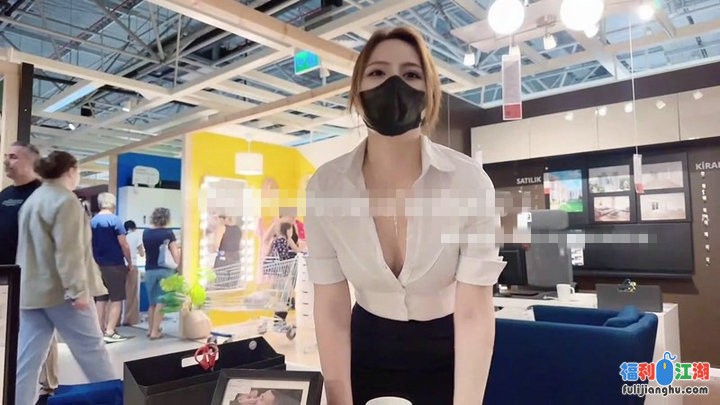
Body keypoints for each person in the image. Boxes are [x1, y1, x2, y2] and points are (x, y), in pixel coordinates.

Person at [304, 26, 506, 405]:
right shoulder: (325, 187)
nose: (393, 84)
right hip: (366, 349)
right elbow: (330, 305)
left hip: (450, 351)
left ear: (430, 92)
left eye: (411, 74)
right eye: (378, 72)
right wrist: (339, 399)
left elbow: (474, 311)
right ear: (357, 92)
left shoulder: (469, 183)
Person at [15, 151, 116, 405]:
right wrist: (78, 290)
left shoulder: (33, 200)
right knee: (93, 354)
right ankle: (114, 401)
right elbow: (69, 252)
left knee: (27, 361)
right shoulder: (66, 201)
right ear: (71, 170)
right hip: (62, 293)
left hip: (31, 293)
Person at [0, 141, 60, 398]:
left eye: (13, 156)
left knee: (38, 337)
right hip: (8, 278)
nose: (7, 161)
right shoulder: (5, 195)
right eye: (6, 156)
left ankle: (49, 385)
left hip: (36, 280)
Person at [90, 192, 132, 343]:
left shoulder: (92, 221)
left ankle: (99, 331)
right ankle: (110, 331)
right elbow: (124, 244)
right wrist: (129, 261)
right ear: (113, 204)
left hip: (97, 265)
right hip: (114, 264)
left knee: (100, 299)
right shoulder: (115, 220)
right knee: (116, 299)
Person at [142, 207, 181, 340]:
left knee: (152, 302)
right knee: (161, 301)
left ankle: (150, 330)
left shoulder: (146, 233)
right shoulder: (168, 233)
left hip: (149, 270)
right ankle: (155, 332)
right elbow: (175, 253)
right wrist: (178, 265)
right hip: (165, 270)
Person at [123, 220, 144, 326]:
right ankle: (130, 319)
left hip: (122, 266)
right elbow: (142, 253)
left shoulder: (123, 237)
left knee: (121, 294)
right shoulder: (136, 236)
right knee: (132, 293)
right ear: (134, 227)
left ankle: (118, 318)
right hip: (133, 266)